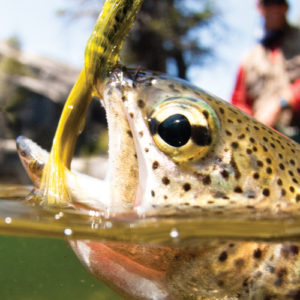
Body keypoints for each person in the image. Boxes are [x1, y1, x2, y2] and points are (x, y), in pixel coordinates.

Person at [231, 0, 300, 142]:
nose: (275, 8)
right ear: (259, 8)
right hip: (265, 143)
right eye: (268, 3)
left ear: (286, 7)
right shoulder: (248, 59)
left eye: (279, 3)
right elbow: (239, 102)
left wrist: (282, 101)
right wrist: (250, 121)